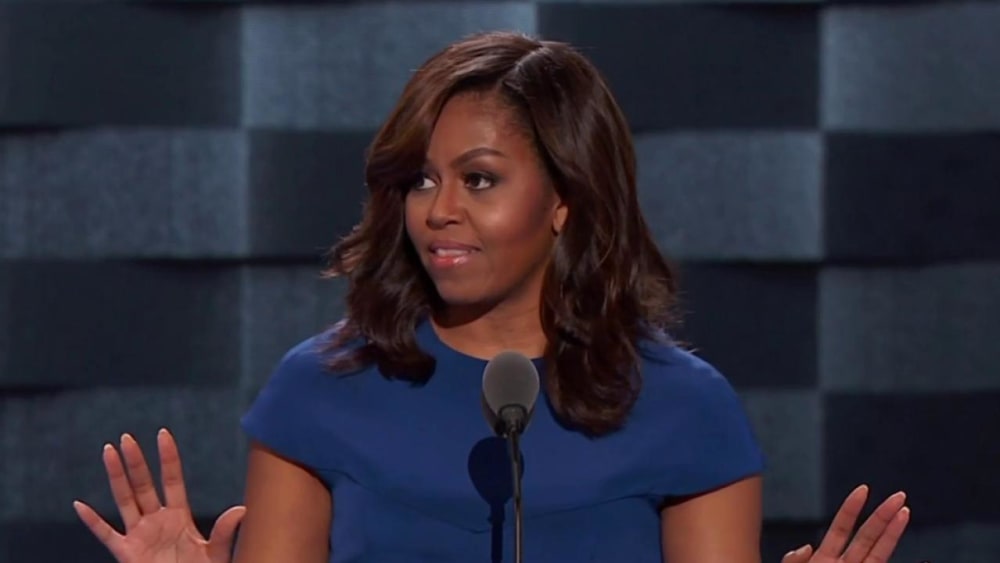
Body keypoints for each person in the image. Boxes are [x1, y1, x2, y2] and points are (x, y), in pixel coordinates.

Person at [73, 31, 910, 563]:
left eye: (478, 179)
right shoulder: (320, 388)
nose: (438, 210)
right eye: (421, 179)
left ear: (564, 198)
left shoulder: (687, 409)